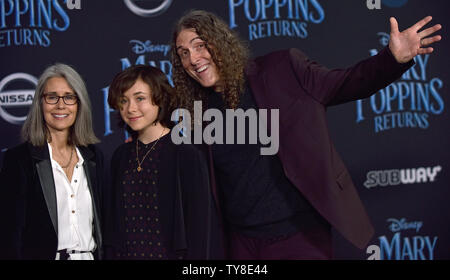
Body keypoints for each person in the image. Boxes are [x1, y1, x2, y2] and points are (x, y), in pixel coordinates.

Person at [170, 10, 442, 259]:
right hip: (240, 243)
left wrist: (391, 59)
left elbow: (346, 83)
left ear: (221, 41)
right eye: (183, 53)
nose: (193, 59)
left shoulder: (282, 68)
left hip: (299, 236)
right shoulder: (195, 112)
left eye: (200, 45)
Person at [104, 65, 223, 260]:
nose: (130, 108)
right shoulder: (121, 156)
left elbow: (203, 231)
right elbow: (112, 228)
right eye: (123, 101)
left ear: (160, 98)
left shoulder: (186, 154)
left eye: (140, 98)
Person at [0, 63, 104, 260]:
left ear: (79, 103)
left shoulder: (94, 157)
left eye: (69, 97)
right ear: (40, 102)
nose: (61, 105)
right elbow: (10, 236)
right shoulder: (19, 160)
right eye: (52, 97)